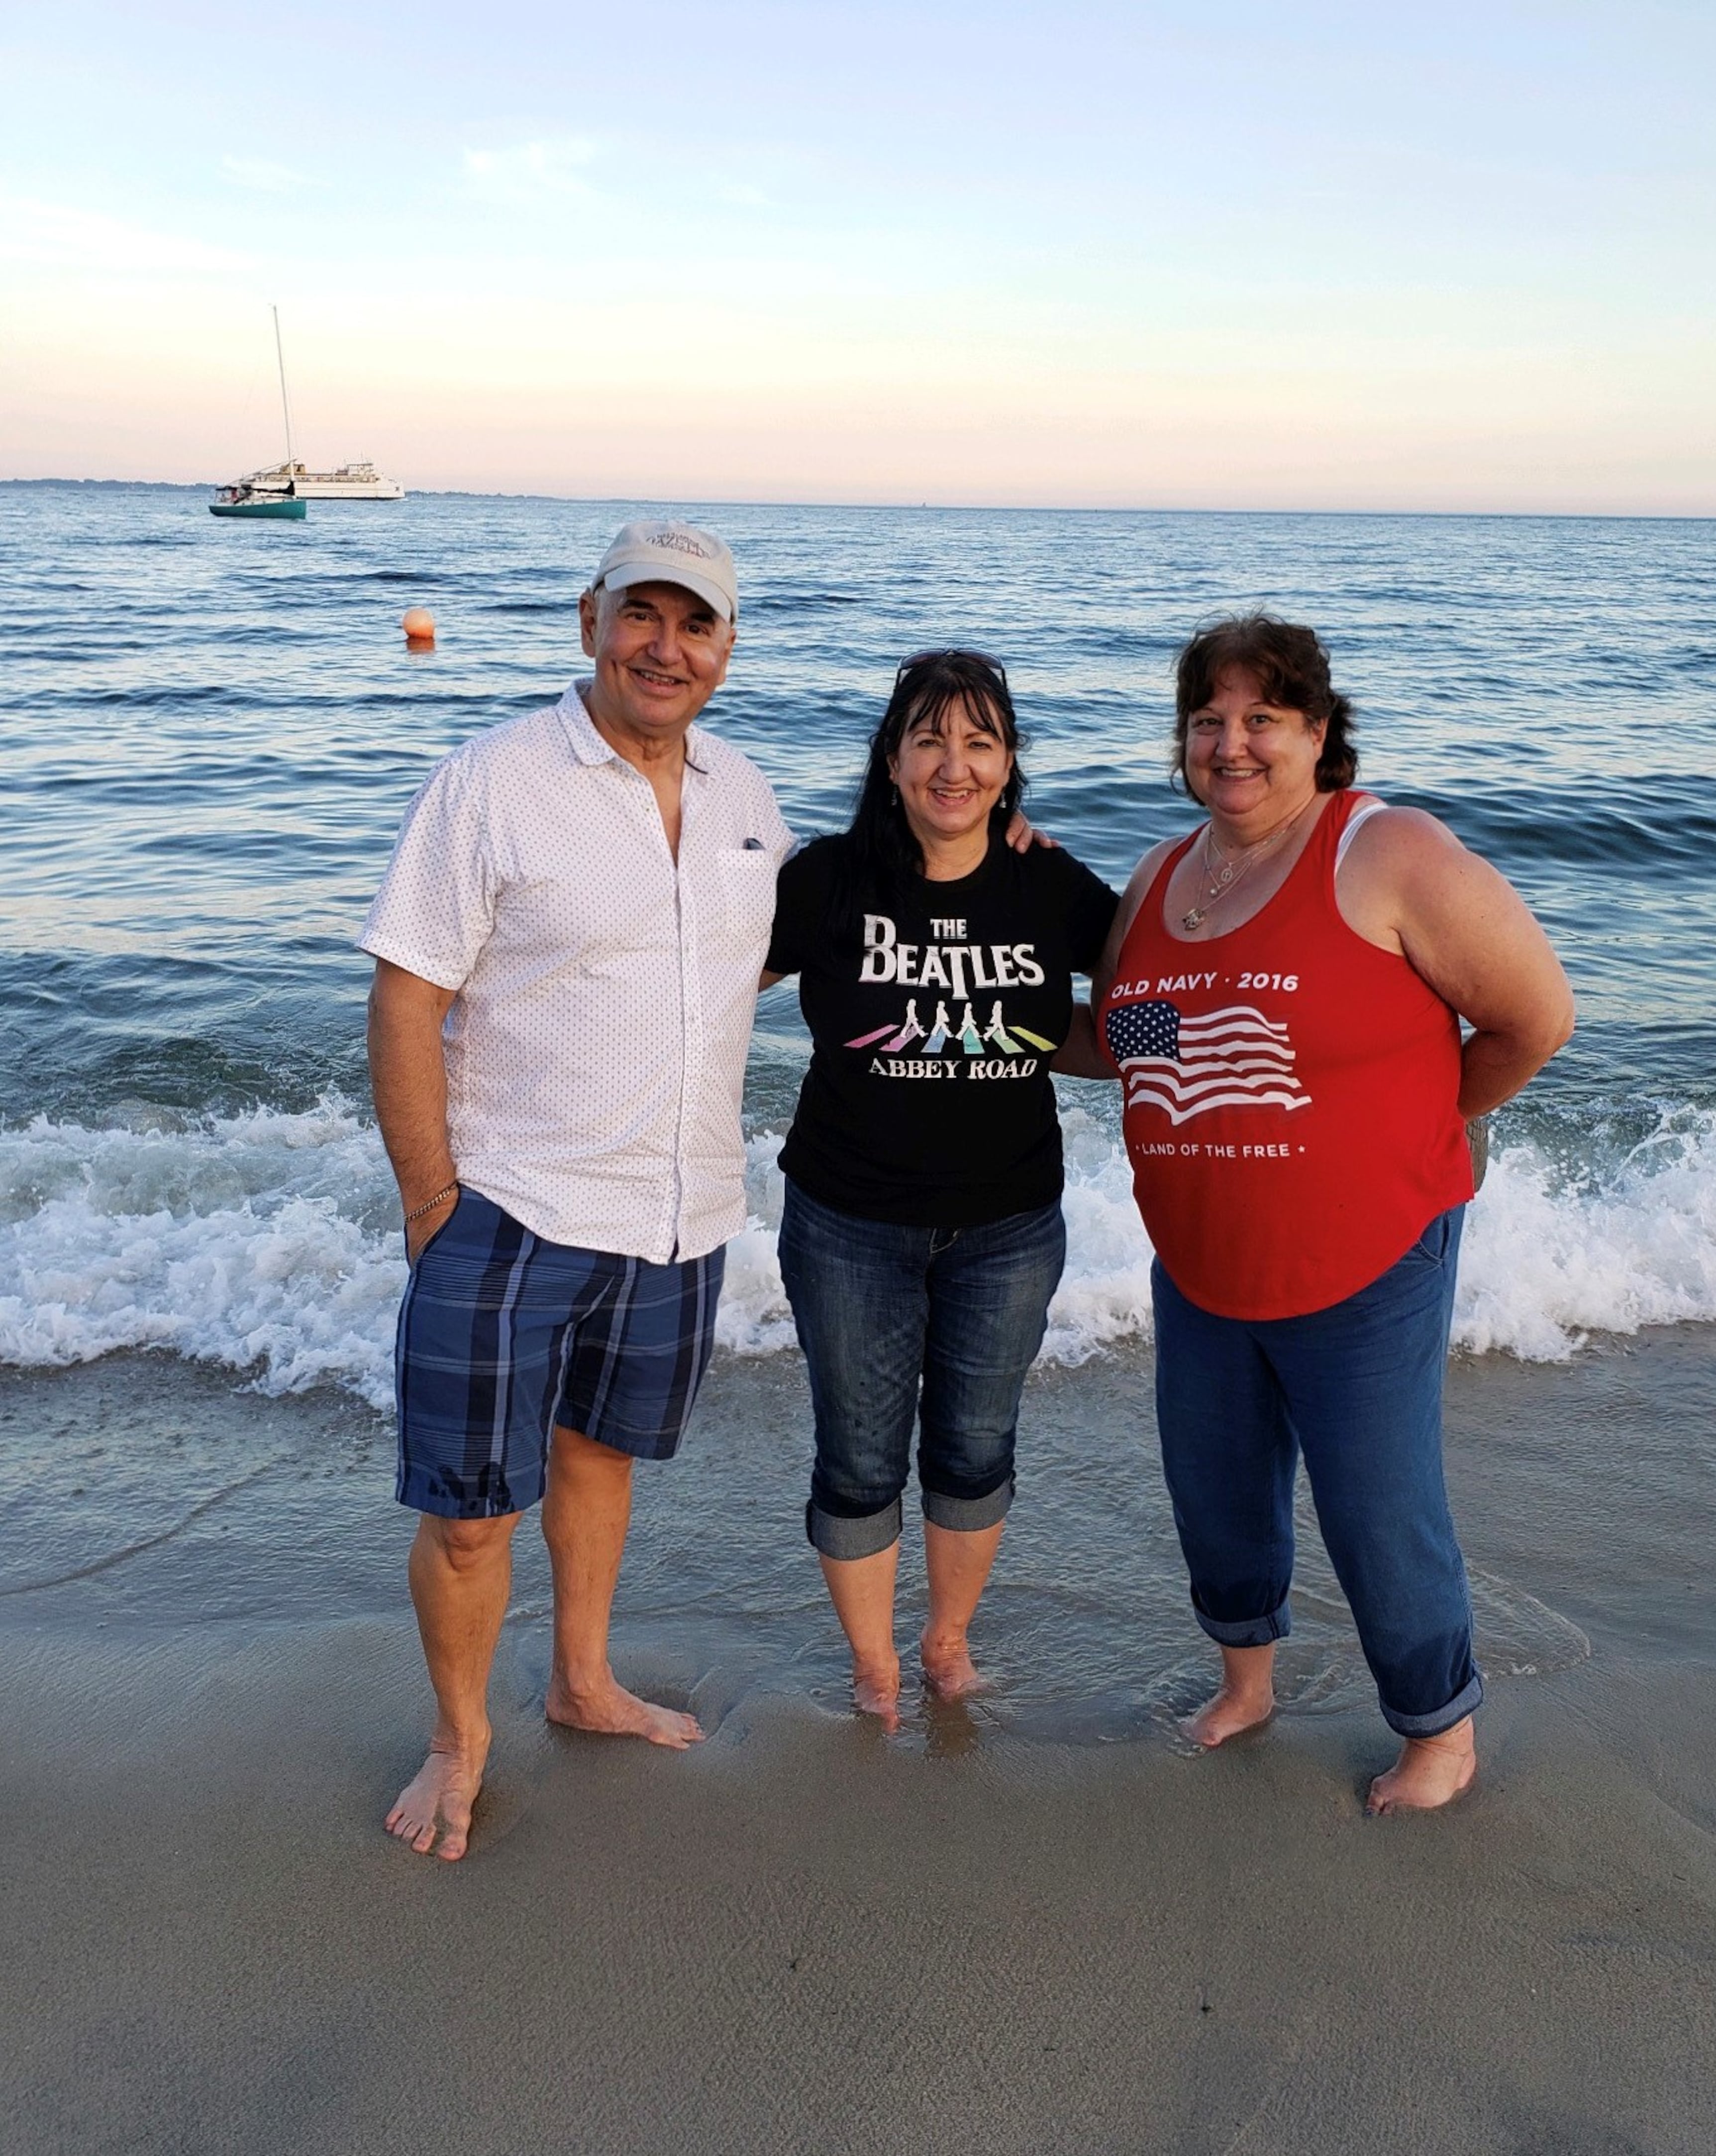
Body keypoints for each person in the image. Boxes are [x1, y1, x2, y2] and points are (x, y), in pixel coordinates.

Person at [358, 519, 791, 1860]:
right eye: (641, 614)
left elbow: (747, 962)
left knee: (600, 1458)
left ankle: (582, 1678)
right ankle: (458, 1736)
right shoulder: (491, 782)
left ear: (728, 647)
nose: (667, 644)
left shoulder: (743, 798)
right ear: (590, 619)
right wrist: (435, 1207)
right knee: (473, 1509)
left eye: (696, 621)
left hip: (677, 1213)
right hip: (511, 1207)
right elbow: (407, 991)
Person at [1093, 614, 1573, 1813]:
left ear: (1318, 732)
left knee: (1377, 1500)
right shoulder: (1160, 874)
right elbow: (1126, 1042)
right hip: (1201, 1257)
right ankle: (1245, 1685)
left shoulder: (1386, 851)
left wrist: (1425, 1126)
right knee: (1215, 1488)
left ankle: (1438, 1730)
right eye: (1208, 720)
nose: (1231, 743)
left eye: (1263, 718)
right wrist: (946, 1009)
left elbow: (1534, 1019)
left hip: (1369, 1255)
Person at [761, 650, 1118, 1726]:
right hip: (846, 1223)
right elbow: (703, 982)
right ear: (892, 757)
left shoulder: (1048, 883)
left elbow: (1135, 1005)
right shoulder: (824, 880)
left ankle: (946, 1640)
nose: (953, 766)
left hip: (1007, 1225)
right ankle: (875, 1666)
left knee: (974, 1445)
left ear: (1009, 765)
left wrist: (1205, 1051)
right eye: (929, 739)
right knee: (859, 1454)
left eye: (979, 742)